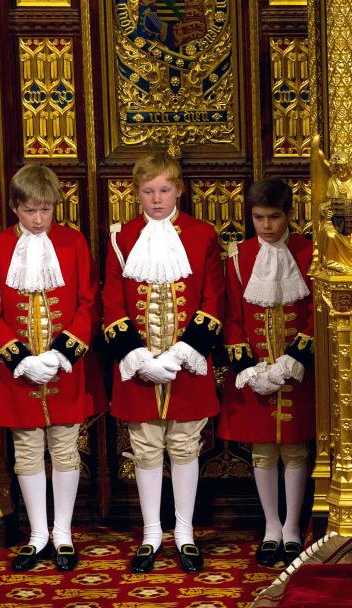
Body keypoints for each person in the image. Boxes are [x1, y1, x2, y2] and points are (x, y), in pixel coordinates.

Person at [103, 151, 224, 574]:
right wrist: (137, 357)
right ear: (136, 193)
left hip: (187, 364)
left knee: (185, 446)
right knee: (145, 449)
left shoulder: (203, 234)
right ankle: (152, 533)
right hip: (139, 367)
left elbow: (214, 299)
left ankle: (185, 533)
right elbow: (111, 302)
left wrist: (183, 352)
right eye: (148, 191)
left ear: (179, 190)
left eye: (165, 190)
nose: (157, 199)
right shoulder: (121, 236)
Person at [0, 164, 101, 573]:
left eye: (46, 210)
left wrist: (62, 355)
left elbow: (88, 301)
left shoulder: (72, 242)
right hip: (18, 373)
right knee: (28, 451)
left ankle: (63, 534)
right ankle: (37, 535)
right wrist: (22, 360)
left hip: (63, 368)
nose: (39, 219)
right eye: (31, 210)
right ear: (16, 206)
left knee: (66, 447)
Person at [217, 178, 315, 567]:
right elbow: (232, 317)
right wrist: (249, 368)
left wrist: (295, 359)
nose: (266, 226)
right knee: (262, 452)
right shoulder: (238, 257)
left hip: (296, 371)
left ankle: (292, 527)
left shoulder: (308, 252)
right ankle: (271, 527)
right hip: (255, 371)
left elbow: (316, 313)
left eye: (274, 217)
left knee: (294, 449)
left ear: (288, 215)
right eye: (259, 218)